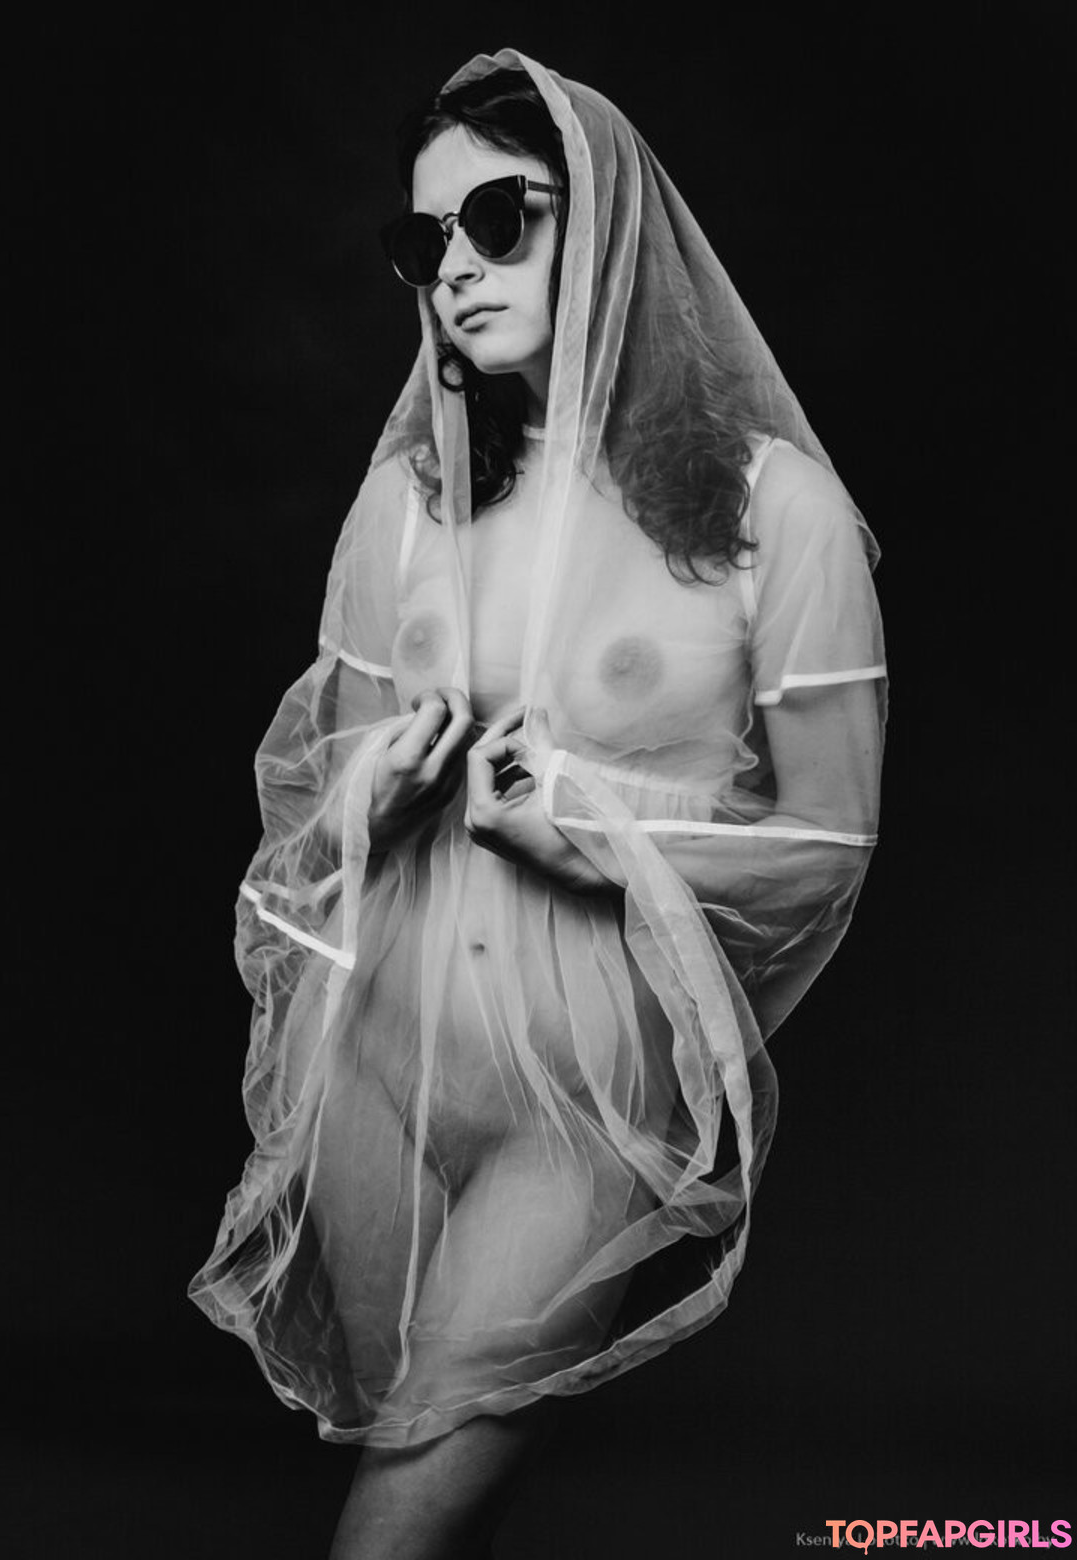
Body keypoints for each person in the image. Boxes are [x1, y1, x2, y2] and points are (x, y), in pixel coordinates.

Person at [189, 48, 887, 1558]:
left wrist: (589, 835)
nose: (455, 267)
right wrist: (376, 791)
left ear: (608, 220)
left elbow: (829, 847)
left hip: (583, 1106)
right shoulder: (411, 504)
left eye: (502, 219)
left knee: (403, 1516)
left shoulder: (777, 513)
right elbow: (312, 809)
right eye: (424, 238)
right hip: (374, 1066)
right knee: (412, 1471)